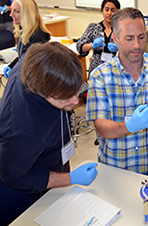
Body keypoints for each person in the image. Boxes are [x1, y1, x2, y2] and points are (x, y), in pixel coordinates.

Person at [0, 42, 98, 225]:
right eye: (65, 98)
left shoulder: (37, 60)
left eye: (76, 91)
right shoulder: (26, 130)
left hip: (48, 154)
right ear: (43, 92)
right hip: (25, 189)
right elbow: (13, 177)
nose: (75, 102)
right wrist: (70, 178)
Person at [86, 7, 148, 179]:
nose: (137, 45)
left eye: (141, 37)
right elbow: (101, 128)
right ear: (115, 38)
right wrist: (130, 126)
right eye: (129, 38)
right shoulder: (100, 77)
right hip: (115, 170)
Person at [3, 0, 51, 79]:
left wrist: (16, 71)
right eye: (12, 10)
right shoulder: (24, 32)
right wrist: (11, 66)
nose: (11, 14)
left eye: (16, 11)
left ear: (27, 14)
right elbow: (23, 57)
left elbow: (32, 64)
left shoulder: (38, 36)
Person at [76, 0, 120, 76]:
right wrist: (91, 45)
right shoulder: (93, 27)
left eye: (113, 10)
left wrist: (119, 48)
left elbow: (129, 49)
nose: (109, 13)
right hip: (96, 69)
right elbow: (80, 46)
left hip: (115, 70)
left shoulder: (121, 29)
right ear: (102, 10)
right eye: (106, 10)